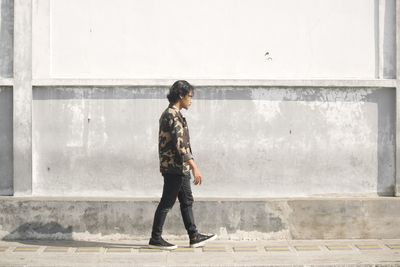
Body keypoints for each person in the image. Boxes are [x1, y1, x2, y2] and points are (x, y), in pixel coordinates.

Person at [149, 80, 217, 250]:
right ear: (181, 96)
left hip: (180, 168)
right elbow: (181, 146)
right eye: (189, 96)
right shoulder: (172, 115)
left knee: (186, 200)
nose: (191, 100)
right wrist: (194, 167)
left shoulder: (175, 114)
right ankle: (155, 238)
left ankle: (194, 236)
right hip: (174, 168)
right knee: (167, 202)